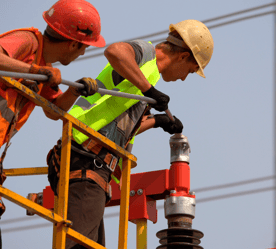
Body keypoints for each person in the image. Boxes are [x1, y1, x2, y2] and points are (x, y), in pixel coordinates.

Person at [0, 0, 105, 248]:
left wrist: (77, 89)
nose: (83, 53)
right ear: (74, 43)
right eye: (84, 47)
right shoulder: (29, 41)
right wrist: (32, 69)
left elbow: (53, 111)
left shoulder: (43, 67)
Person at [46, 19, 214, 248]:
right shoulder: (146, 54)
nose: (184, 77)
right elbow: (114, 51)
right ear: (184, 56)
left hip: (94, 165)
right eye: (190, 71)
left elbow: (118, 126)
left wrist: (157, 121)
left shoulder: (146, 76)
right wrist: (149, 90)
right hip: (84, 158)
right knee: (79, 245)